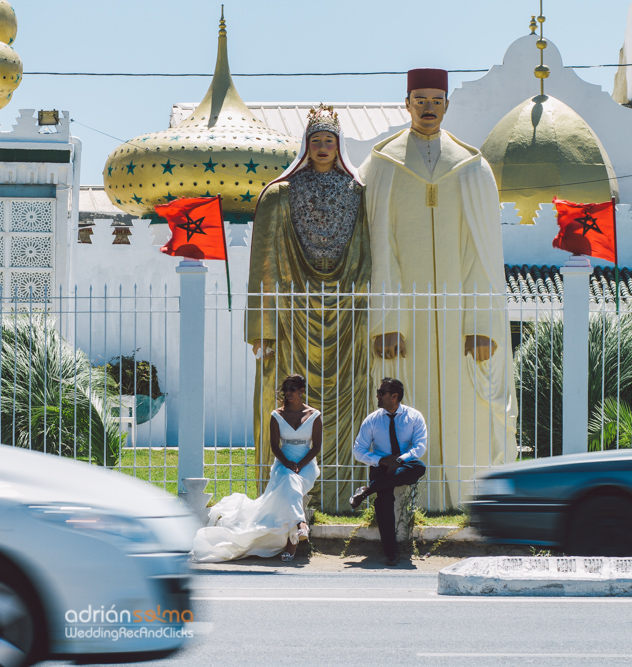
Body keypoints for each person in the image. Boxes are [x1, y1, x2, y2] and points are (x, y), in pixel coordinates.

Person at [358, 69, 516, 509]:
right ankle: (410, 498)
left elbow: (483, 254)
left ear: (447, 105)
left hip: (459, 317)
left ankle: (464, 494)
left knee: (463, 405)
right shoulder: (383, 165)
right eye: (420, 99)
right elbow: (379, 250)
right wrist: (386, 321)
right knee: (405, 401)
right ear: (406, 103)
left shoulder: (472, 167)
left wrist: (482, 323)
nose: (428, 107)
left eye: (436, 100)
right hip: (404, 319)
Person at [246, 104, 372, 510]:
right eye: (315, 140)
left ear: (339, 146)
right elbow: (263, 267)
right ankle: (286, 497)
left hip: (346, 311)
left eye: (328, 140)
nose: (321, 147)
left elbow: (369, 253)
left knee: (348, 392)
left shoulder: (359, 192)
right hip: (293, 314)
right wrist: (261, 329)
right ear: (305, 145)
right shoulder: (280, 194)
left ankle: (339, 494)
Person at [192, 375, 321, 563]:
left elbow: (316, 446)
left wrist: (300, 465)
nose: (288, 392)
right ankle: (297, 530)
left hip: (306, 465)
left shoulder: (314, 415)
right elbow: (275, 447)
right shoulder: (277, 415)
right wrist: (288, 464)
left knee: (291, 482)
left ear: (302, 390)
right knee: (288, 480)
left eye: (293, 388)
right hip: (283, 463)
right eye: (286, 389)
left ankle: (296, 532)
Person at [350, 378, 427, 566]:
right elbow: (358, 450)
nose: (377, 395)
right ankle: (391, 553)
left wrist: (400, 459)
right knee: (384, 503)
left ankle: (368, 490)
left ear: (394, 396)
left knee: (420, 466)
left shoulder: (414, 416)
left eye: (381, 392)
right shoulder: (373, 419)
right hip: (380, 466)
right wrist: (382, 460)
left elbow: (420, 446)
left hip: (404, 463)